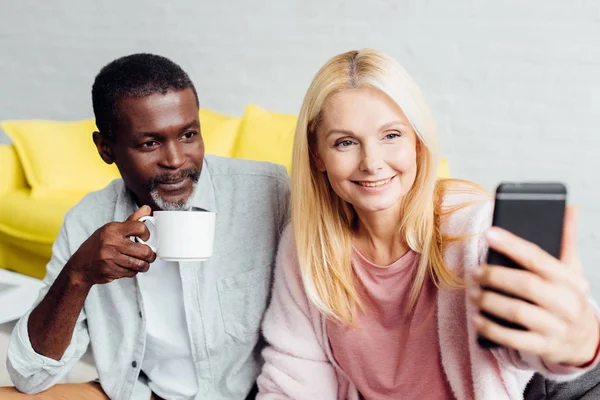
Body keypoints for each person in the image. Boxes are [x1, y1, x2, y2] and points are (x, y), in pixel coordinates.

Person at [256, 48, 600, 399]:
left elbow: (530, 347)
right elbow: (291, 381)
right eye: (345, 142)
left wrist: (578, 341)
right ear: (318, 155)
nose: (372, 163)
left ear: (418, 143)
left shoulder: (473, 231)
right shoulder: (306, 248)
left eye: (391, 135)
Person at [2, 53, 290, 400]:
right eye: (149, 143)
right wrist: (77, 275)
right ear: (105, 148)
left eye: (188, 135)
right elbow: (30, 377)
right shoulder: (88, 219)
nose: (175, 160)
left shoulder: (269, 192)